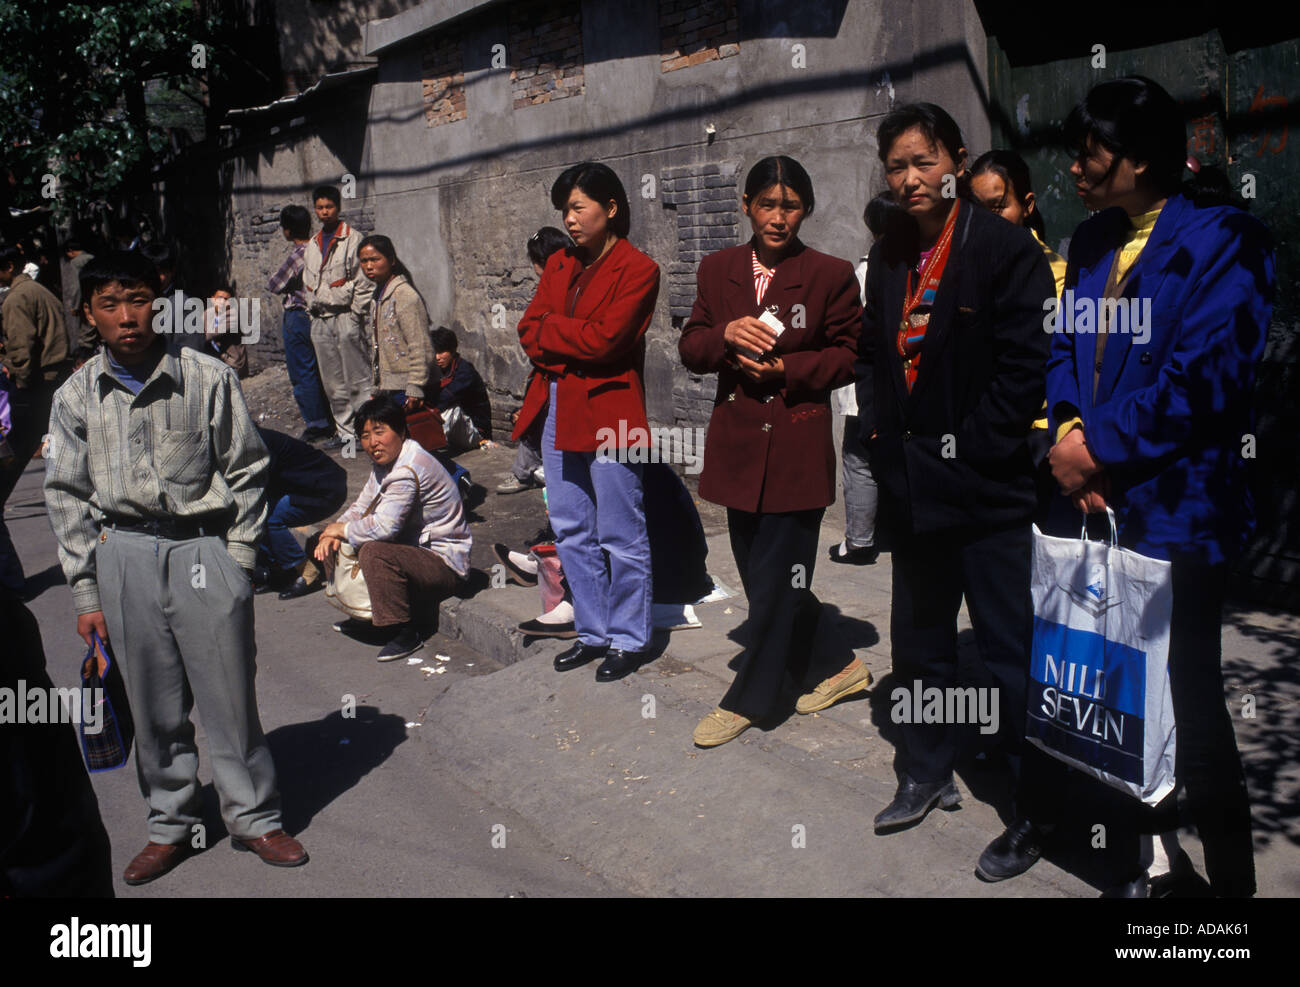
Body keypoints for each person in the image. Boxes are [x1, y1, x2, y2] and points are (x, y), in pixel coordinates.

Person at [1040, 76, 1273, 897]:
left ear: (1136, 160)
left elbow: (1203, 381)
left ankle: (1231, 896)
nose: (1073, 166)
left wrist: (1098, 446)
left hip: (1181, 509)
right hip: (1102, 499)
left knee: (1195, 711)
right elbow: (1066, 347)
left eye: (1089, 152)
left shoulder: (1227, 240)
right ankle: (1151, 860)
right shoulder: (1096, 237)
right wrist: (1070, 429)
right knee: (1122, 699)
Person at [43, 250, 307, 886]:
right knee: (153, 705)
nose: (127, 316)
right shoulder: (77, 395)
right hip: (124, 555)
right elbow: (67, 496)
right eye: (110, 304)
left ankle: (254, 818)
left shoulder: (206, 375)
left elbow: (246, 470)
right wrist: (86, 593)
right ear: (89, 314)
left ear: (158, 303)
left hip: (203, 550)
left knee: (229, 698)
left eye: (137, 300)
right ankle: (170, 824)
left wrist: (239, 560)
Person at [855, 104, 1057, 848]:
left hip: (987, 490)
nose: (910, 179)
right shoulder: (888, 255)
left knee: (1010, 650)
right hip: (913, 492)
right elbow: (873, 356)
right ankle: (926, 768)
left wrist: (968, 448)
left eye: (922, 162)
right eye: (896, 166)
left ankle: (1037, 801)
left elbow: (1024, 369)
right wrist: (881, 436)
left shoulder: (1003, 249)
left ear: (957, 162)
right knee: (923, 645)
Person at [679, 155, 865, 747]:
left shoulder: (829, 274)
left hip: (795, 445)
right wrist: (725, 336)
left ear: (805, 209)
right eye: (766, 204)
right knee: (766, 582)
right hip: (737, 445)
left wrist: (789, 367)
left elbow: (850, 355)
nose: (778, 217)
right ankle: (840, 665)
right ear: (746, 206)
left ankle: (752, 699)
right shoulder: (718, 269)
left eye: (789, 206)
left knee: (777, 576)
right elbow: (691, 344)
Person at [514, 161, 659, 683]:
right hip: (560, 406)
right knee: (573, 526)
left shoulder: (639, 269)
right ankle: (593, 632)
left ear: (611, 208)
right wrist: (565, 336)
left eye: (578, 207)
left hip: (613, 412)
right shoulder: (558, 265)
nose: (570, 220)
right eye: (564, 211)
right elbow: (528, 329)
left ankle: (629, 637)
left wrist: (557, 335)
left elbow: (608, 341)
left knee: (622, 531)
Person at [307, 397, 471, 661]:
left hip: (444, 563)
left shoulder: (408, 467)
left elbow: (384, 527)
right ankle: (367, 615)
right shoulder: (386, 463)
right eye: (365, 436)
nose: (373, 443)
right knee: (330, 538)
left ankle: (404, 631)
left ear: (402, 431)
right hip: (413, 551)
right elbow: (362, 506)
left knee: (373, 551)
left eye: (380, 432)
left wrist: (342, 529)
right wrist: (330, 531)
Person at [969, 149, 1066, 521]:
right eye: (978, 210)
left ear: (1027, 206)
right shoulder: (968, 269)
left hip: (1034, 435)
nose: (987, 221)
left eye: (998, 207)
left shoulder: (1056, 273)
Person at [829, 193, 902, 567]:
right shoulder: (912, 268)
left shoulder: (862, 273)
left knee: (858, 462)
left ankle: (859, 542)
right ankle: (887, 533)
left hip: (864, 388)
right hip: (898, 390)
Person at [0, 243, 71, 594]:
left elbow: (22, 348)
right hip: (51, 383)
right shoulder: (39, 291)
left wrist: (20, 384)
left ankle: (13, 585)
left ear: (8, 267)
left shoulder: (16, 298)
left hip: (35, 388)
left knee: (15, 459)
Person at [498, 227, 571, 495]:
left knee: (547, 426)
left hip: (558, 374)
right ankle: (526, 472)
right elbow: (530, 330)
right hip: (547, 372)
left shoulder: (567, 283)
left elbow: (535, 331)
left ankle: (538, 474)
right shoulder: (551, 285)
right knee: (536, 423)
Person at [303, 184, 374, 449]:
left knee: (358, 378)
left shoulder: (352, 239)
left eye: (329, 207)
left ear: (338, 207)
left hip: (346, 317)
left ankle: (368, 431)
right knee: (332, 382)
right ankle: (346, 434)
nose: (324, 212)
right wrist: (313, 313)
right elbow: (308, 283)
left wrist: (355, 314)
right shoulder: (312, 244)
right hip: (320, 320)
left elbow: (364, 281)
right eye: (320, 208)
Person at [254, 426, 348, 593]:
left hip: (324, 488)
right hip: (302, 487)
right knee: (257, 514)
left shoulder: (257, 442)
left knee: (270, 518)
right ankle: (278, 569)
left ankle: (307, 573)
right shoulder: (252, 439)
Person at [268, 204, 333, 441]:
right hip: (321, 314)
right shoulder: (321, 249)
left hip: (298, 314)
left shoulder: (299, 253)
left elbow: (275, 285)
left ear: (287, 231)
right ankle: (331, 418)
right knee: (322, 368)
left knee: (302, 371)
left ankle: (317, 424)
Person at [431, 326, 491, 449]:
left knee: (451, 409)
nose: (437, 357)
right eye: (435, 352)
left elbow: (443, 400)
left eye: (442, 352)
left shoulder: (465, 372)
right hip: (454, 432)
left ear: (453, 351)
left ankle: (431, 447)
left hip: (475, 433)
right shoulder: (436, 369)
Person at [60, 237, 96, 360]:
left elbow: (76, 287)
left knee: (85, 337)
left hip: (85, 301)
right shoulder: (91, 257)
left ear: (70, 250)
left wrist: (75, 306)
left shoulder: (76, 262)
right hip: (97, 298)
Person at [205, 284, 249, 379]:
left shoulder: (233, 316)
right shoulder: (207, 314)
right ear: (212, 299)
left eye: (226, 299)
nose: (222, 302)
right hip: (218, 359)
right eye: (219, 298)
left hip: (233, 364)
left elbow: (209, 335)